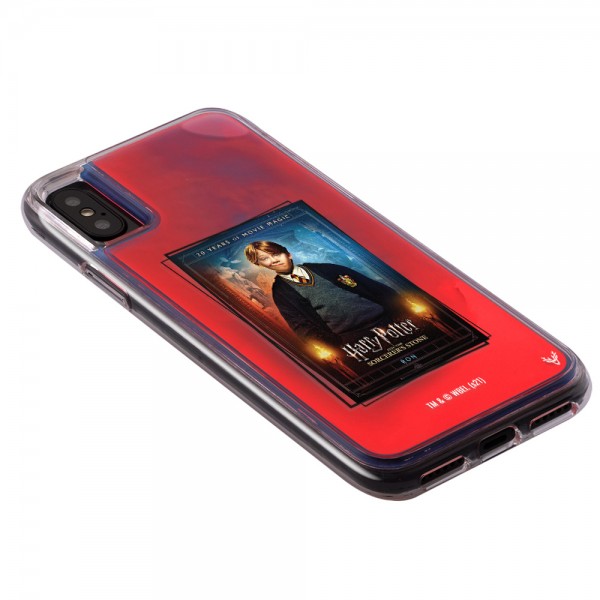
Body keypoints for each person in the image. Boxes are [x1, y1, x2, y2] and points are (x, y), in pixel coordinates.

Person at [244, 240, 401, 346]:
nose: (274, 260)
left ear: (288, 254)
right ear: (260, 264)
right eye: (265, 258)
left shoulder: (327, 269)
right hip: (352, 340)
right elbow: (302, 329)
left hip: (390, 321)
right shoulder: (281, 293)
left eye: (276, 254)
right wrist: (336, 345)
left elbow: (375, 288)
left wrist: (401, 311)